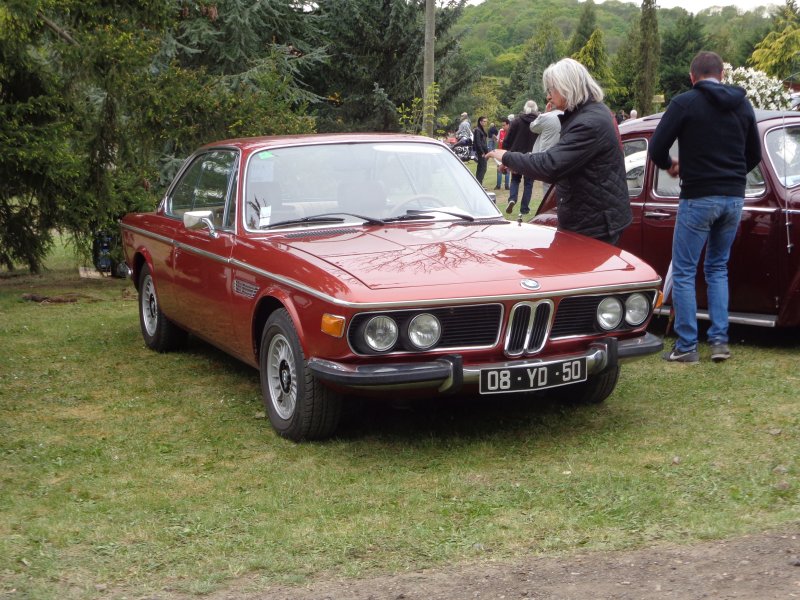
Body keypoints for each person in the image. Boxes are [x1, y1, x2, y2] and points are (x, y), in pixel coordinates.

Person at [648, 51, 761, 364]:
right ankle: (720, 341)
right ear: (722, 75)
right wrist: (733, 175)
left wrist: (671, 165)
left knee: (684, 271)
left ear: (692, 76)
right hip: (733, 197)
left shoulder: (685, 103)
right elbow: (754, 154)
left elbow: (657, 147)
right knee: (717, 267)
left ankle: (686, 346)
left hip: (698, 196)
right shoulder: (743, 104)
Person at [486, 58, 631, 244]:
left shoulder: (589, 122)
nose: (548, 96)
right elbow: (563, 157)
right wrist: (522, 161)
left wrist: (507, 156)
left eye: (551, 90)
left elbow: (551, 166)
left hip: (593, 225)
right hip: (592, 218)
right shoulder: (589, 114)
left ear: (566, 87)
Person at [503, 100, 539, 215]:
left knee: (515, 180)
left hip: (516, 155)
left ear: (525, 108)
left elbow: (508, 139)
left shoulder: (516, 121)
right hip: (531, 156)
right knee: (528, 183)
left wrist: (506, 149)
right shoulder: (538, 122)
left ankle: (512, 199)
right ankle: (524, 208)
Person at [529, 102, 563, 196]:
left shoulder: (547, 117)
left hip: (547, 156)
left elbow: (533, 127)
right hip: (563, 155)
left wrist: (544, 113)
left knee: (548, 188)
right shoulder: (570, 116)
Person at [494, 117, 511, 190]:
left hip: (508, 153)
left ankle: (507, 185)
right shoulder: (500, 131)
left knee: (507, 168)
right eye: (502, 125)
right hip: (500, 152)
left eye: (504, 125)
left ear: (508, 125)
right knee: (499, 168)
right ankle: (498, 185)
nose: (503, 127)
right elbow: (498, 141)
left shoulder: (511, 132)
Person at [473, 116, 489, 187]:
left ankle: (478, 183)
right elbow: (478, 142)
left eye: (486, 121)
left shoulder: (481, 129)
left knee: (481, 168)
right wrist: (482, 152)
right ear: (480, 122)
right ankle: (479, 184)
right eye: (484, 121)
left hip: (483, 151)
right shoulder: (477, 130)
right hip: (481, 153)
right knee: (482, 168)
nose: (485, 123)